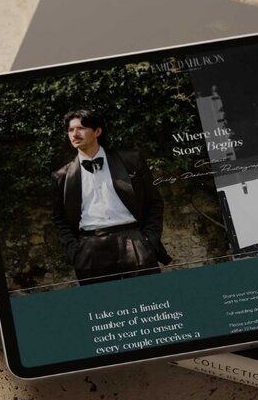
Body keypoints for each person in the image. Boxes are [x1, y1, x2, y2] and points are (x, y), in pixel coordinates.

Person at [51, 109, 171, 284]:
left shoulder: (130, 161)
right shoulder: (61, 176)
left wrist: (149, 240)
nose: (75, 134)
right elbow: (59, 218)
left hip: (134, 241)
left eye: (81, 128)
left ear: (97, 132)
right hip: (89, 248)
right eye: (70, 130)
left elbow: (154, 203)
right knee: (104, 307)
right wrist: (74, 249)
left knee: (151, 299)